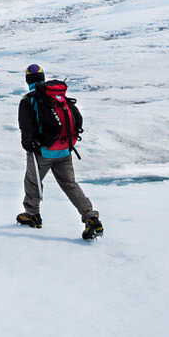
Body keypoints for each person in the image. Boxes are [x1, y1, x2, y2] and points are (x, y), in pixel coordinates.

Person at [17, 64, 104, 240]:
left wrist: (30, 146)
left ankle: (32, 214)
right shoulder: (58, 97)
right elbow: (77, 119)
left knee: (33, 182)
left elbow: (26, 129)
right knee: (70, 184)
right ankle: (90, 217)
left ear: (27, 80)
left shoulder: (29, 100)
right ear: (43, 78)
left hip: (43, 152)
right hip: (64, 150)